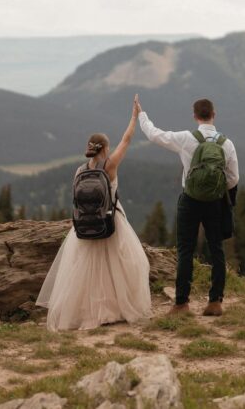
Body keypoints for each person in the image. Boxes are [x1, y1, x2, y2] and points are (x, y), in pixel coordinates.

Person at [36, 96, 152, 330]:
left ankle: (89, 312)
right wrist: (135, 115)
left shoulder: (80, 171)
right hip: (112, 221)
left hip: (86, 224)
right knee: (119, 267)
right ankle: (114, 309)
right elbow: (127, 139)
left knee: (87, 271)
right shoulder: (109, 165)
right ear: (105, 149)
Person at [136, 96, 239, 316]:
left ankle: (181, 303)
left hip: (190, 201)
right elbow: (233, 179)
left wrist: (141, 115)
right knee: (216, 249)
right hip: (214, 203)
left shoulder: (185, 138)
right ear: (214, 115)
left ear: (195, 116)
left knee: (185, 250)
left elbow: (155, 135)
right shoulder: (226, 144)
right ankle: (215, 302)